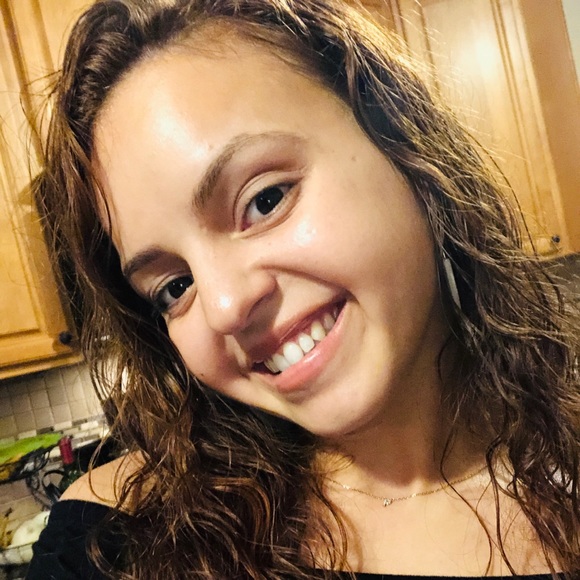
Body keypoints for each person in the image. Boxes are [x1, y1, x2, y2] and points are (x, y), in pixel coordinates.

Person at [27, 0, 580, 578]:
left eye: (265, 200)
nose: (224, 306)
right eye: (174, 286)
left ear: (404, 146)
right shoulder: (115, 539)